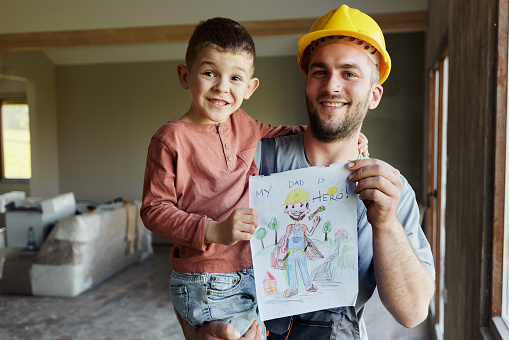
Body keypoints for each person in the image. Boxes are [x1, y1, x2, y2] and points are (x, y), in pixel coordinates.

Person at [182, 4, 435, 340]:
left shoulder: (390, 191)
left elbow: (412, 312)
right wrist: (197, 331)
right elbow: (191, 261)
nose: (331, 86)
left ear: (374, 95)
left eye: (349, 73)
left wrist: (385, 224)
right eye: (320, 71)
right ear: (307, 84)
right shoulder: (250, 160)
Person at [141, 16, 370, 338]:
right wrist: (212, 230)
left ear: (250, 88)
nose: (222, 87)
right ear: (185, 75)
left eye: (235, 78)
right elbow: (153, 211)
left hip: (251, 268)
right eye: (209, 73)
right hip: (206, 276)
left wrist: (344, 139)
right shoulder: (170, 138)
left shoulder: (243, 124)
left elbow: (284, 133)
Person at [271, 188, 323, 298]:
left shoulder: (303, 227)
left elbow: (309, 234)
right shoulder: (289, 227)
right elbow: (286, 238)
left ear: (307, 209)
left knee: (303, 267)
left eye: (301, 206)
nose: (296, 210)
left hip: (301, 252)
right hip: (290, 253)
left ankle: (308, 285)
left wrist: (315, 224)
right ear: (287, 209)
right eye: (293, 206)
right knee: (291, 269)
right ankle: (293, 287)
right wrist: (284, 247)